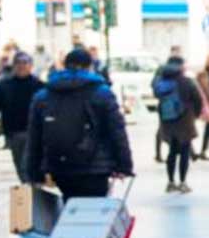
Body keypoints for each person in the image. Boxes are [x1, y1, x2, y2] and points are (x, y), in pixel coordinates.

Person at [26, 46, 134, 200]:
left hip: (59, 166)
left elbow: (34, 137)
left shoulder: (44, 95)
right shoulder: (102, 93)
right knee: (94, 213)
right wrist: (124, 165)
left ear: (65, 65)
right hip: (96, 167)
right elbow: (117, 131)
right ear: (90, 66)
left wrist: (33, 172)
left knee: (70, 206)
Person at [0, 51, 46, 183]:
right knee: (19, 166)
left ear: (31, 65)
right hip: (13, 133)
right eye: (18, 63)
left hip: (33, 133)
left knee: (27, 166)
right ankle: (29, 190)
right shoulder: (5, 85)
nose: (21, 66)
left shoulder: (40, 86)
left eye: (25, 63)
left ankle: (31, 192)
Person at [153, 56, 203, 194]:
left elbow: (157, 97)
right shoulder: (187, 82)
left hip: (168, 122)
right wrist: (195, 115)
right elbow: (198, 99)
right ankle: (182, 182)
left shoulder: (162, 82)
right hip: (185, 122)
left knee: (172, 153)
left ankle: (170, 182)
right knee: (185, 152)